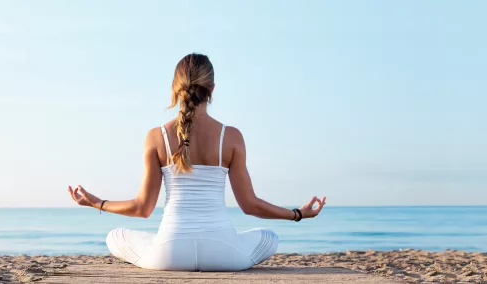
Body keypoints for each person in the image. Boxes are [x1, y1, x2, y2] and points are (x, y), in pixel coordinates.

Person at [68, 53, 326, 271]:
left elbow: (142, 208)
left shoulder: (156, 137)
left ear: (174, 87)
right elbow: (250, 206)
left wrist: (95, 202)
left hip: (169, 254)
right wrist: (298, 214)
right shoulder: (232, 136)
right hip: (224, 254)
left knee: (115, 237)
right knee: (269, 238)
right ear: (212, 89)